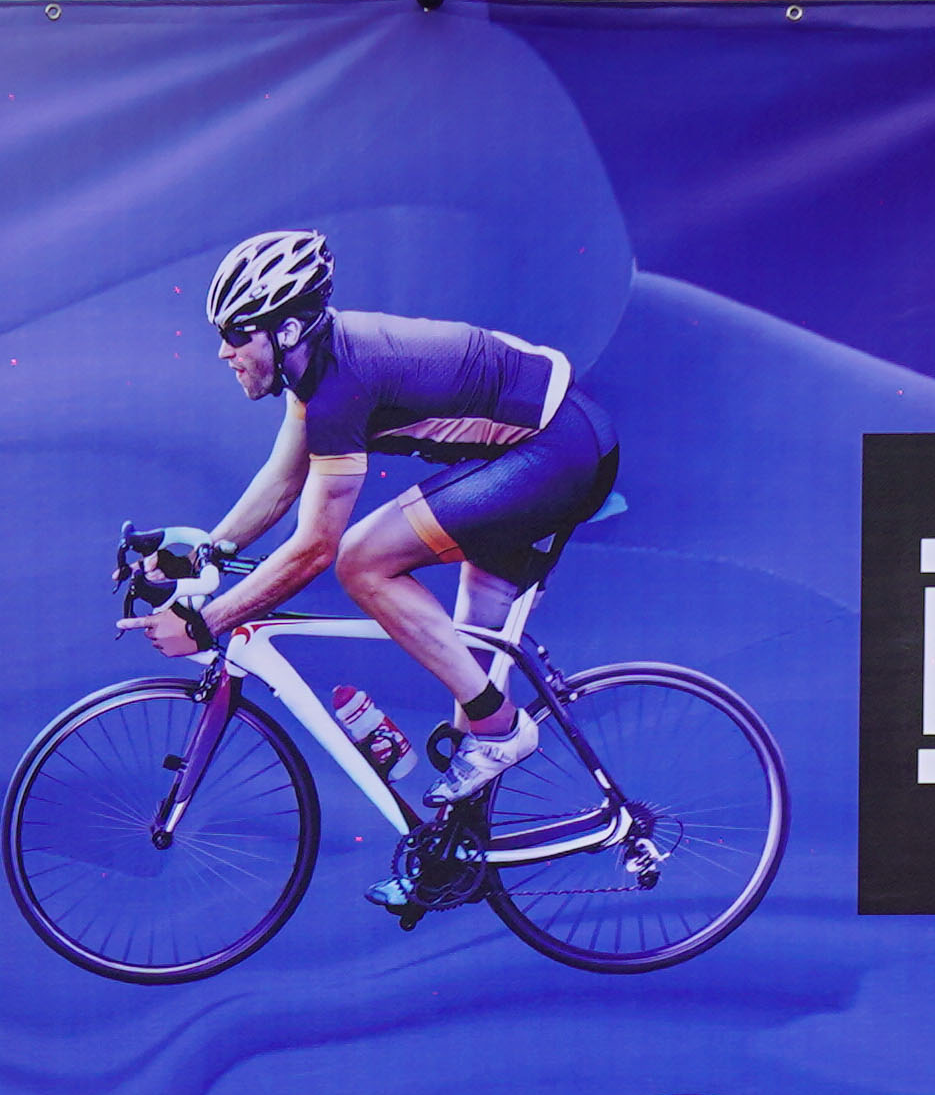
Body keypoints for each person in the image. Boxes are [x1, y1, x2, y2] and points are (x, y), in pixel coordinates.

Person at [148, 229, 616, 805]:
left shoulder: (339, 386)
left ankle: (501, 731)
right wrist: (201, 553)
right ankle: (463, 832)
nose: (225, 351)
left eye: (237, 334)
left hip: (557, 453)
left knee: (362, 559)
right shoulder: (314, 370)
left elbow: (315, 550)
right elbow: (281, 481)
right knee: (468, 685)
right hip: (547, 445)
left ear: (286, 331)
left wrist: (207, 623)